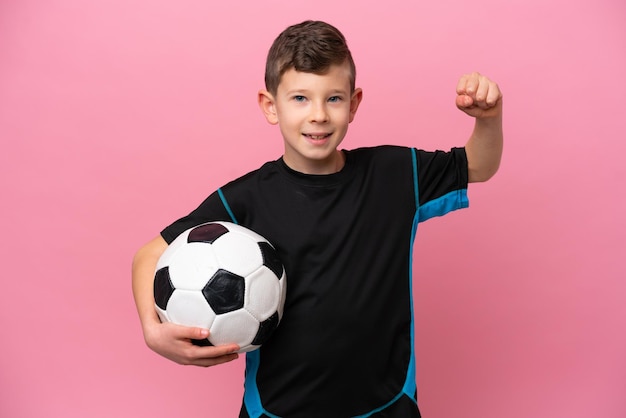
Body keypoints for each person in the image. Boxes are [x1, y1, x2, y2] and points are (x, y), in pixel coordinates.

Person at [132, 20, 503, 418]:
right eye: (300, 99)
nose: (319, 115)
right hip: (277, 410)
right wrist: (154, 333)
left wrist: (489, 117)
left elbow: (477, 166)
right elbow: (149, 255)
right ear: (270, 106)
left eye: (334, 99)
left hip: (387, 406)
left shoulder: (396, 174)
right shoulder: (245, 200)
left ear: (354, 103)